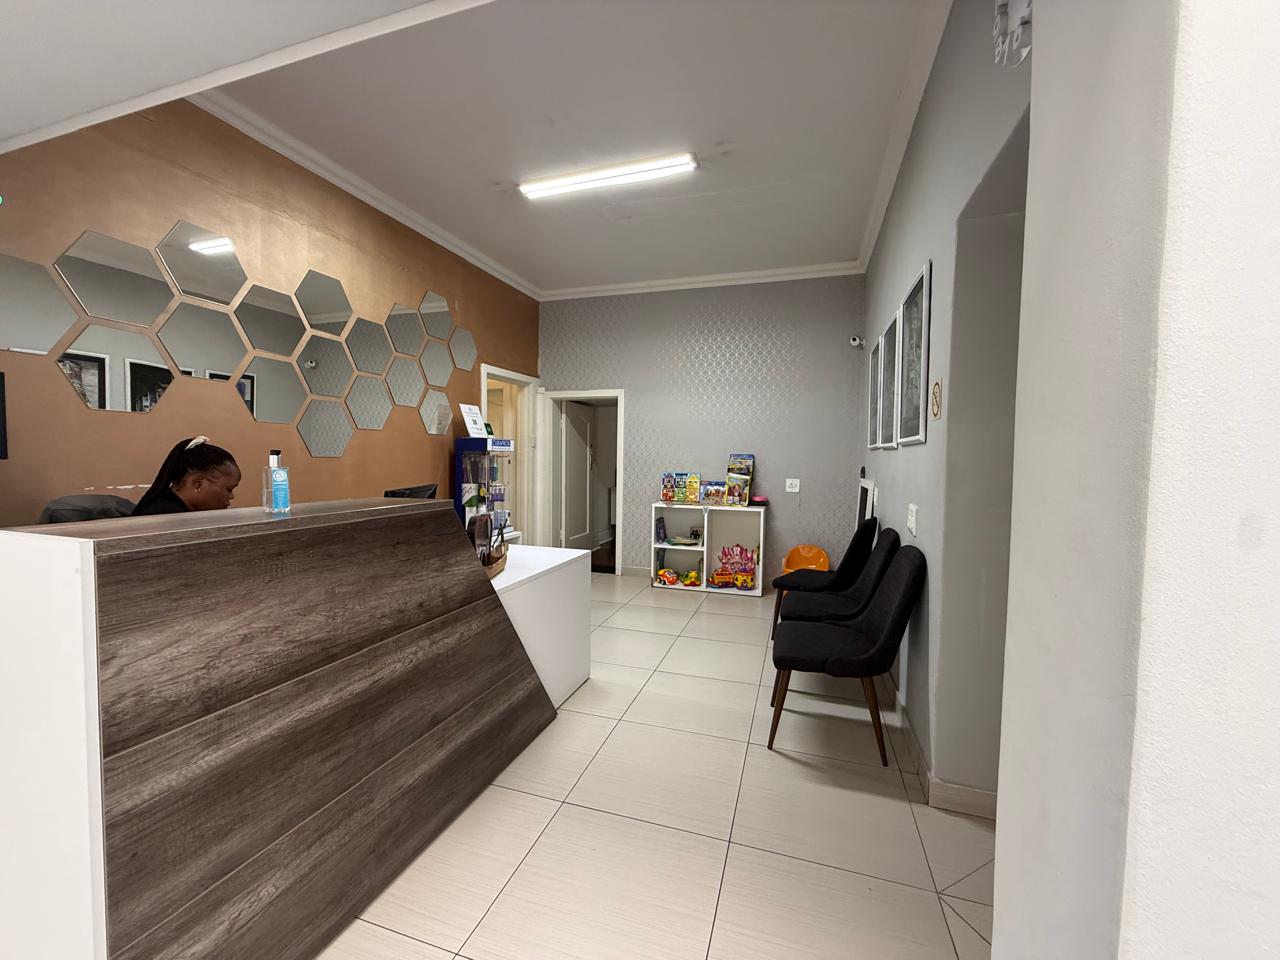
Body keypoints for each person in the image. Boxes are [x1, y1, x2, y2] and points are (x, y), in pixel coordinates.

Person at [132, 437, 241, 516]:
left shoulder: (172, 509)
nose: (231, 496)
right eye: (229, 489)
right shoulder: (169, 519)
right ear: (198, 484)